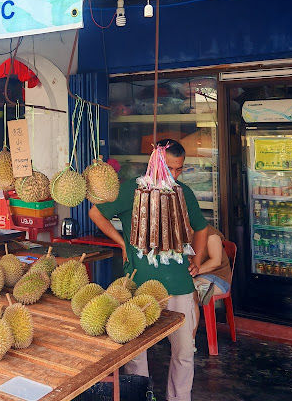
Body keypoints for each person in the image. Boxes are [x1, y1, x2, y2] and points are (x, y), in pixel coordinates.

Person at [89, 139, 208, 401]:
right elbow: (96, 212)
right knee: (135, 354)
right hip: (140, 283)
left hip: (179, 283)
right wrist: (121, 243)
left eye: (179, 169)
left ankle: (180, 398)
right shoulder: (132, 190)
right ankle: (139, 397)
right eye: (170, 168)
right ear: (155, 162)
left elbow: (201, 228)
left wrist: (197, 261)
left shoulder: (183, 192)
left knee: (185, 352)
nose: (174, 175)